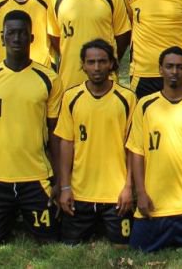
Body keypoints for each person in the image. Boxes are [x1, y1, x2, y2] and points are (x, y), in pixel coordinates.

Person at [0, 10, 63, 248]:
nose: (17, 38)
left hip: (36, 177)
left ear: (31, 38)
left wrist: (60, 181)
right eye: (11, 33)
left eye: (22, 33)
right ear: (2, 37)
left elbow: (55, 133)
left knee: (48, 242)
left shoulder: (49, 79)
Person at [126, 47, 182, 252]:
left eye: (179, 67)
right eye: (169, 66)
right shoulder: (144, 105)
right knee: (138, 248)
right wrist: (140, 193)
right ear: (160, 69)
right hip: (154, 205)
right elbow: (137, 152)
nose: (174, 71)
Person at [55, 39, 137, 246]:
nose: (97, 67)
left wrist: (128, 188)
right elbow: (66, 144)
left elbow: (134, 148)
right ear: (83, 65)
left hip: (116, 195)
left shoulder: (127, 98)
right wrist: (65, 187)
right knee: (70, 245)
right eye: (91, 62)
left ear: (111, 64)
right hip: (80, 194)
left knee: (122, 246)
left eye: (102, 61)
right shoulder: (71, 97)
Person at [48, 0, 131, 89]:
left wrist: (107, 61)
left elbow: (123, 36)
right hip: (69, 83)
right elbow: (55, 38)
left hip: (106, 84)